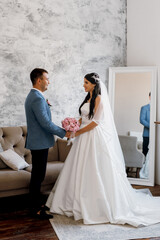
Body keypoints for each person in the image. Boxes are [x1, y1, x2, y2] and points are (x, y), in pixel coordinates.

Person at [46, 73, 160, 227]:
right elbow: (83, 117)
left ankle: (97, 206)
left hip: (93, 136)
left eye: (86, 82)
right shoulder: (87, 98)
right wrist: (73, 125)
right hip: (82, 137)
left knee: (95, 168)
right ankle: (74, 203)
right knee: (78, 167)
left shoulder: (99, 99)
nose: (84, 85)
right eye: (84, 82)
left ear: (94, 84)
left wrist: (77, 132)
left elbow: (95, 123)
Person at [25, 68, 70, 219]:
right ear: (39, 80)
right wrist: (64, 132)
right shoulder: (37, 98)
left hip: (38, 143)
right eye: (47, 79)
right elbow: (45, 122)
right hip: (39, 143)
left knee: (38, 175)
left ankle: (36, 204)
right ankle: (35, 210)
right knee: (38, 176)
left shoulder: (35, 96)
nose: (49, 82)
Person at [140, 92, 151, 156]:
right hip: (147, 135)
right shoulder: (144, 108)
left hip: (157, 135)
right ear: (149, 97)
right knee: (145, 152)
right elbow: (142, 120)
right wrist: (151, 127)